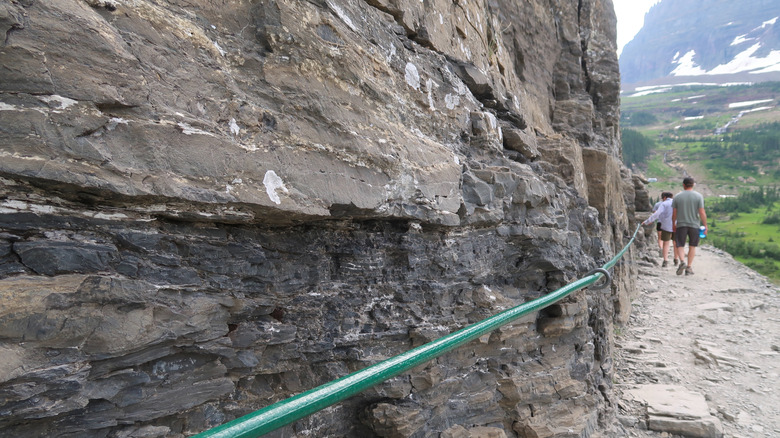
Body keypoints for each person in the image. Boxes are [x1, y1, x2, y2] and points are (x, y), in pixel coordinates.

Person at [672, 177, 707, 275]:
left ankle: (682, 261)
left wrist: (673, 224)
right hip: (694, 225)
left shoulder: (677, 197)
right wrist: (705, 225)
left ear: (683, 185)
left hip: (681, 224)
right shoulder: (699, 196)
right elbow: (702, 212)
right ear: (693, 185)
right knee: (692, 246)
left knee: (680, 244)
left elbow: (674, 213)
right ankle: (689, 267)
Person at [643, 192, 675, 267]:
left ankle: (665, 260)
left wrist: (648, 221)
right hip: (676, 225)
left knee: (664, 241)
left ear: (664, 197)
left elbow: (656, 214)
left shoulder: (661, 204)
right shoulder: (677, 203)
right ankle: (677, 259)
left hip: (664, 224)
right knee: (676, 242)